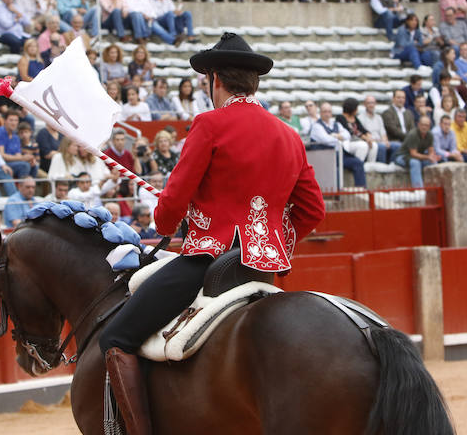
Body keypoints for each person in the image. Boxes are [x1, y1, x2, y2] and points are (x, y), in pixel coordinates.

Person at [98, 33, 325, 435]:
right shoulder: (289, 134)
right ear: (254, 82)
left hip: (208, 261)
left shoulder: (209, 123)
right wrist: (270, 240)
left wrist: (167, 227)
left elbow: (173, 201)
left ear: (214, 79)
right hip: (261, 270)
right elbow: (312, 210)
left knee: (115, 335)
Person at [310, 102, 367, 187]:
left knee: (358, 163)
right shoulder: (316, 126)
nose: (327, 114)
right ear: (320, 113)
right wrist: (339, 137)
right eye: (325, 111)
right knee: (335, 169)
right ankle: (338, 194)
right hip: (325, 156)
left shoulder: (336, 124)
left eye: (329, 111)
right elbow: (327, 140)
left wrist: (335, 135)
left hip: (339, 154)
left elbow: (347, 135)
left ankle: (361, 189)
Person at [395, 116, 438, 188]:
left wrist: (433, 157)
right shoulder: (413, 134)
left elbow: (431, 151)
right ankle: (419, 189)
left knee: (433, 162)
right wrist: (428, 157)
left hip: (417, 157)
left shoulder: (430, 135)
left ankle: (433, 187)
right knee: (415, 163)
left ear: (429, 126)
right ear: (418, 124)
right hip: (403, 156)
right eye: (422, 124)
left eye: (426, 125)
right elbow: (413, 153)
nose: (424, 127)